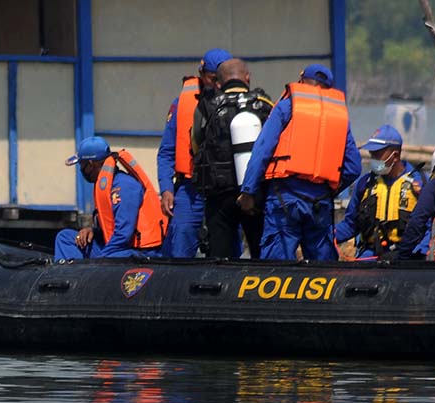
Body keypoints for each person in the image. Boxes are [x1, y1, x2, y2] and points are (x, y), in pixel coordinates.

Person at [237, 64, 361, 261]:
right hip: (320, 202)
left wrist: (248, 191)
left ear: (302, 81)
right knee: (323, 270)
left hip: (284, 197)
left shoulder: (287, 106)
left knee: (276, 267)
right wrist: (329, 189)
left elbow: (262, 150)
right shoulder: (339, 116)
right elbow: (354, 167)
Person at [191, 57, 273, 258]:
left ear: (218, 83)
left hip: (220, 195)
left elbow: (195, 144)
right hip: (256, 193)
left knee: (220, 255)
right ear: (247, 77)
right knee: (261, 251)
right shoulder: (263, 103)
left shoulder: (206, 106)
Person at [155, 47, 232, 257]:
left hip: (227, 189)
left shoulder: (240, 104)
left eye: (221, 79)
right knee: (181, 238)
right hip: (191, 188)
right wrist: (166, 189)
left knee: (229, 249)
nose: (217, 85)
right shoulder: (182, 104)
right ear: (201, 75)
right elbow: (166, 153)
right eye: (212, 78)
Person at [54, 136, 166, 261]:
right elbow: (109, 228)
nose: (81, 170)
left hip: (138, 252)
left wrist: (99, 261)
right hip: (117, 248)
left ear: (91, 164)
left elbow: (123, 235)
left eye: (82, 165)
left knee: (112, 255)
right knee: (65, 237)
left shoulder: (124, 186)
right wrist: (93, 231)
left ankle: (87, 273)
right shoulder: (106, 186)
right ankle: (68, 275)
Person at [335, 124, 428, 259]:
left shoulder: (420, 183)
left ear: (395, 156)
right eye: (371, 154)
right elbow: (350, 224)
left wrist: (420, 252)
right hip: (370, 255)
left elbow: (429, 225)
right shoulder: (364, 184)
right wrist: (326, 235)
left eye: (377, 154)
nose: (372, 158)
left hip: (407, 255)